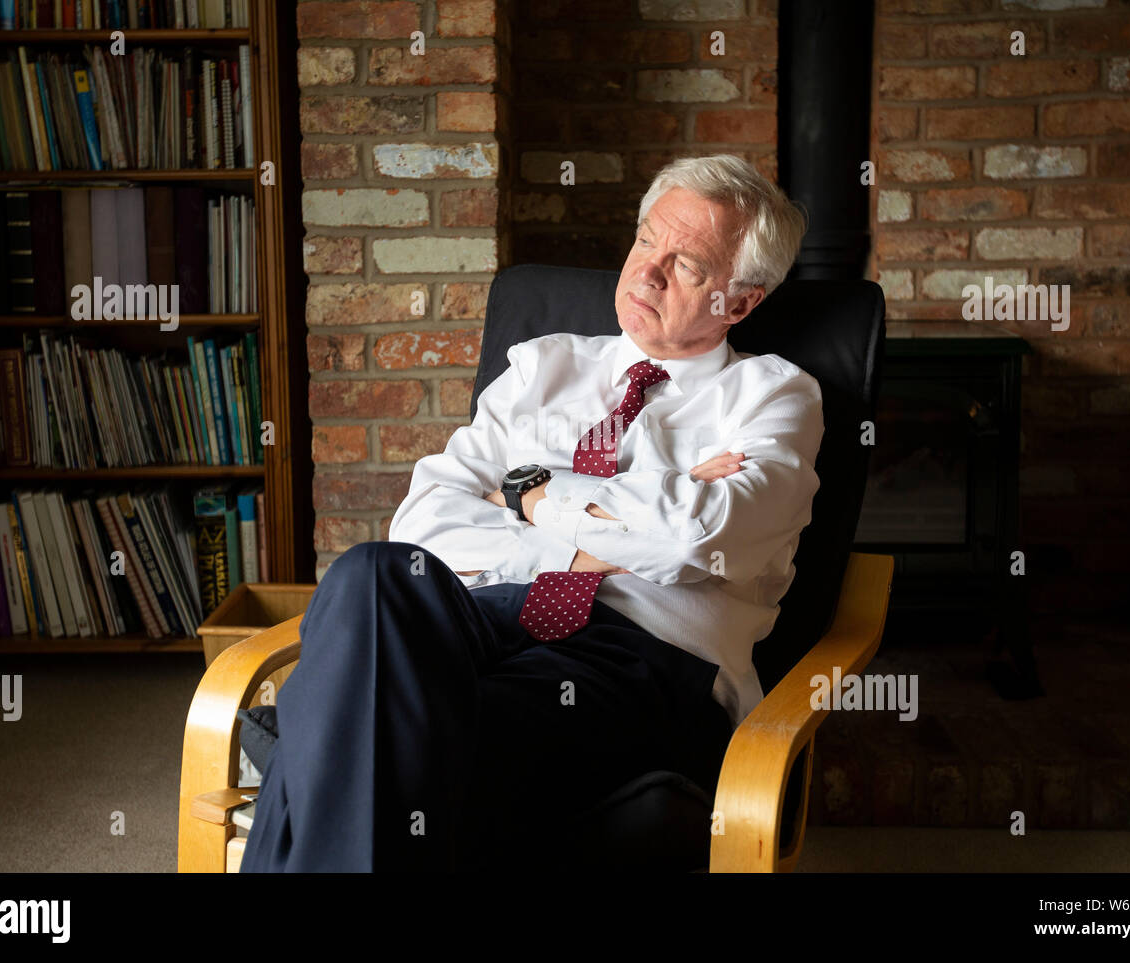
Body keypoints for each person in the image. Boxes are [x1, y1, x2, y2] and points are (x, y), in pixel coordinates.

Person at [240, 153, 822, 872]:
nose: (646, 273)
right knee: (374, 575)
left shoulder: (774, 398)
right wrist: (595, 538)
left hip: (637, 660)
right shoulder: (545, 365)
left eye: (687, 265)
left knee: (355, 721)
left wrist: (525, 494)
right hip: (481, 620)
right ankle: (327, 726)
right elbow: (423, 520)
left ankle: (308, 734)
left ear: (738, 302)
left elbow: (695, 534)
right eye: (645, 241)